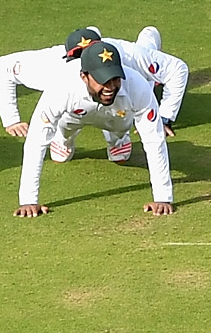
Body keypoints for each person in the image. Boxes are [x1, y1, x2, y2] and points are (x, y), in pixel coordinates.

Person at [16, 40, 176, 218]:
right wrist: (28, 200)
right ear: (84, 76)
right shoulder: (61, 86)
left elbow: (154, 140)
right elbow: (36, 141)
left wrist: (162, 197)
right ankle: (63, 139)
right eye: (102, 80)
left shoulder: (137, 85)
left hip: (117, 114)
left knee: (122, 126)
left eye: (115, 78)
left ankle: (119, 139)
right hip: (73, 115)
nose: (110, 87)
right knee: (65, 125)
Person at [0, 25, 191, 159]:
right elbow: (2, 67)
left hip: (130, 88)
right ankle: (63, 137)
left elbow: (177, 69)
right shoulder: (49, 65)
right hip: (77, 107)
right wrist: (11, 119)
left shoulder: (130, 55)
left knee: (146, 65)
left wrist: (164, 116)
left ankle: (118, 138)